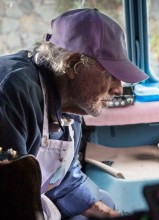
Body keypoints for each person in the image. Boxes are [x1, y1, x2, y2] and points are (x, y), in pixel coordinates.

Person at [0, 8, 148, 219]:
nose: (118, 89)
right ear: (73, 64)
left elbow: (65, 181)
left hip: (27, 198)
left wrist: (111, 216)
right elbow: (11, 196)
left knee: (104, 202)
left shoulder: (71, 109)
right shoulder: (13, 90)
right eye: (111, 75)